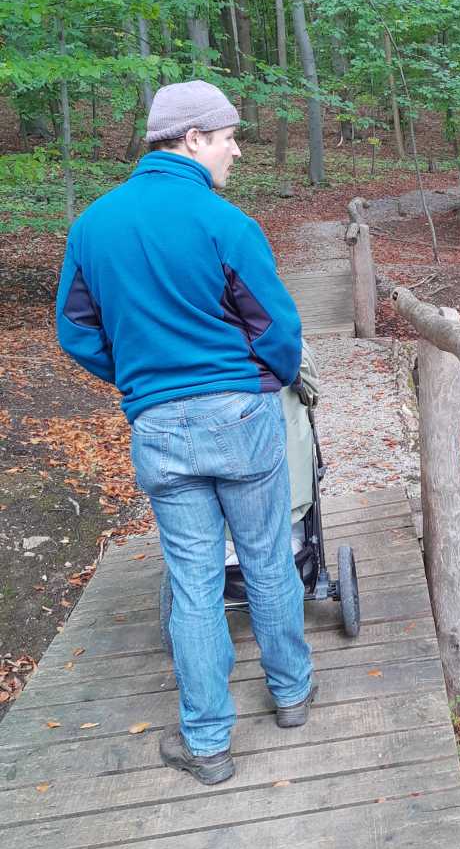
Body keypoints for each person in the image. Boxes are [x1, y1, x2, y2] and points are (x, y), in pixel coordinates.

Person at [56, 80, 315, 786]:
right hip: (239, 418)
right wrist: (266, 378)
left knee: (195, 582)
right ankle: (291, 693)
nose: (236, 147)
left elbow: (75, 331)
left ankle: (207, 743)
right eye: (227, 134)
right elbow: (278, 331)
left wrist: (140, 378)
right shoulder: (224, 223)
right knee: (266, 558)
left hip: (160, 426)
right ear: (191, 138)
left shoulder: (94, 226)